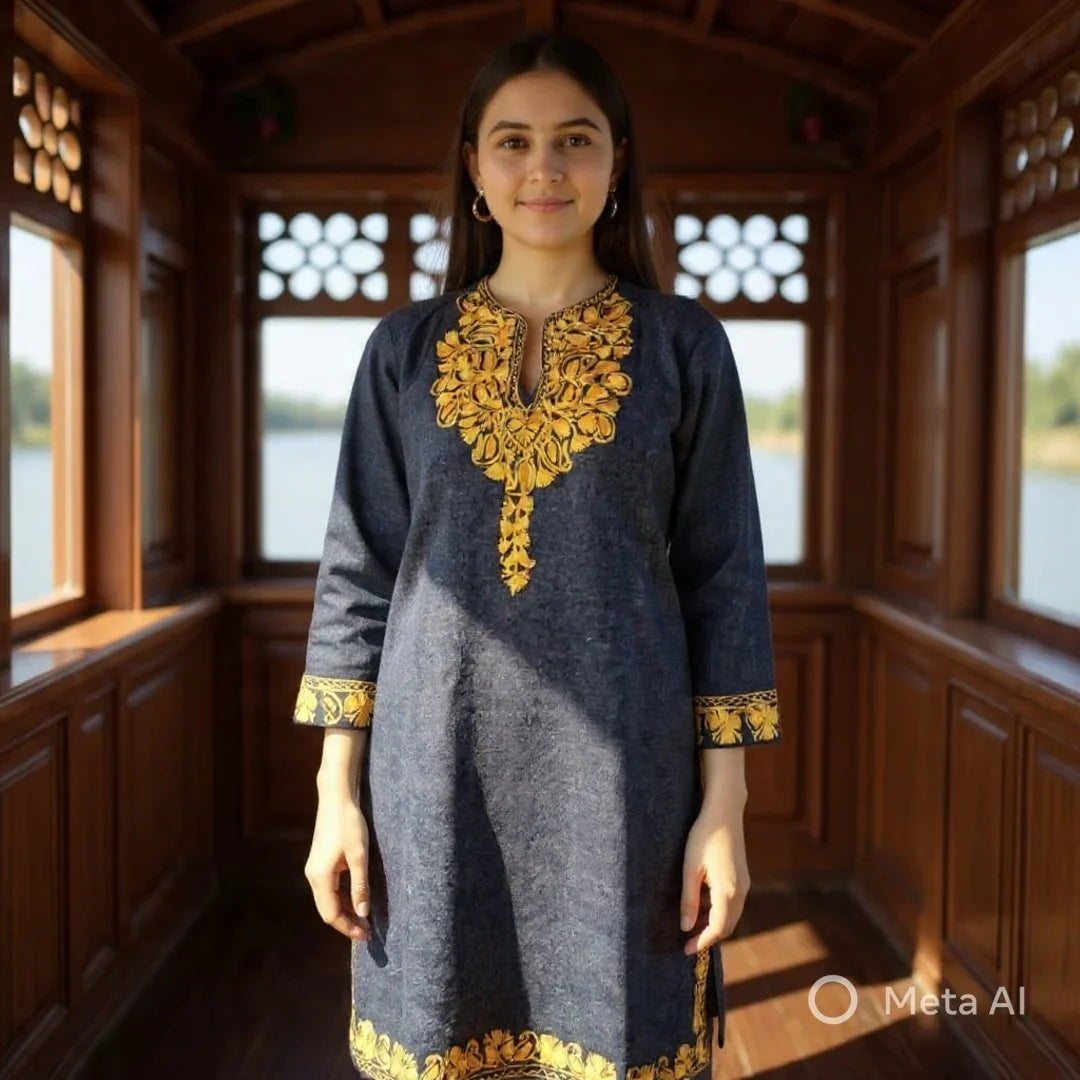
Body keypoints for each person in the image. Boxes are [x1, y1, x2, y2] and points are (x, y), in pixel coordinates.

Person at [292, 29, 783, 1080]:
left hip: (628, 790)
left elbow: (725, 582)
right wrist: (338, 795)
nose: (544, 168)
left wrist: (724, 811)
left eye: (575, 139)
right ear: (474, 167)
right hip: (430, 781)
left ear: (617, 163)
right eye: (512, 141)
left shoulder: (684, 346)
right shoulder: (403, 352)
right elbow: (357, 576)